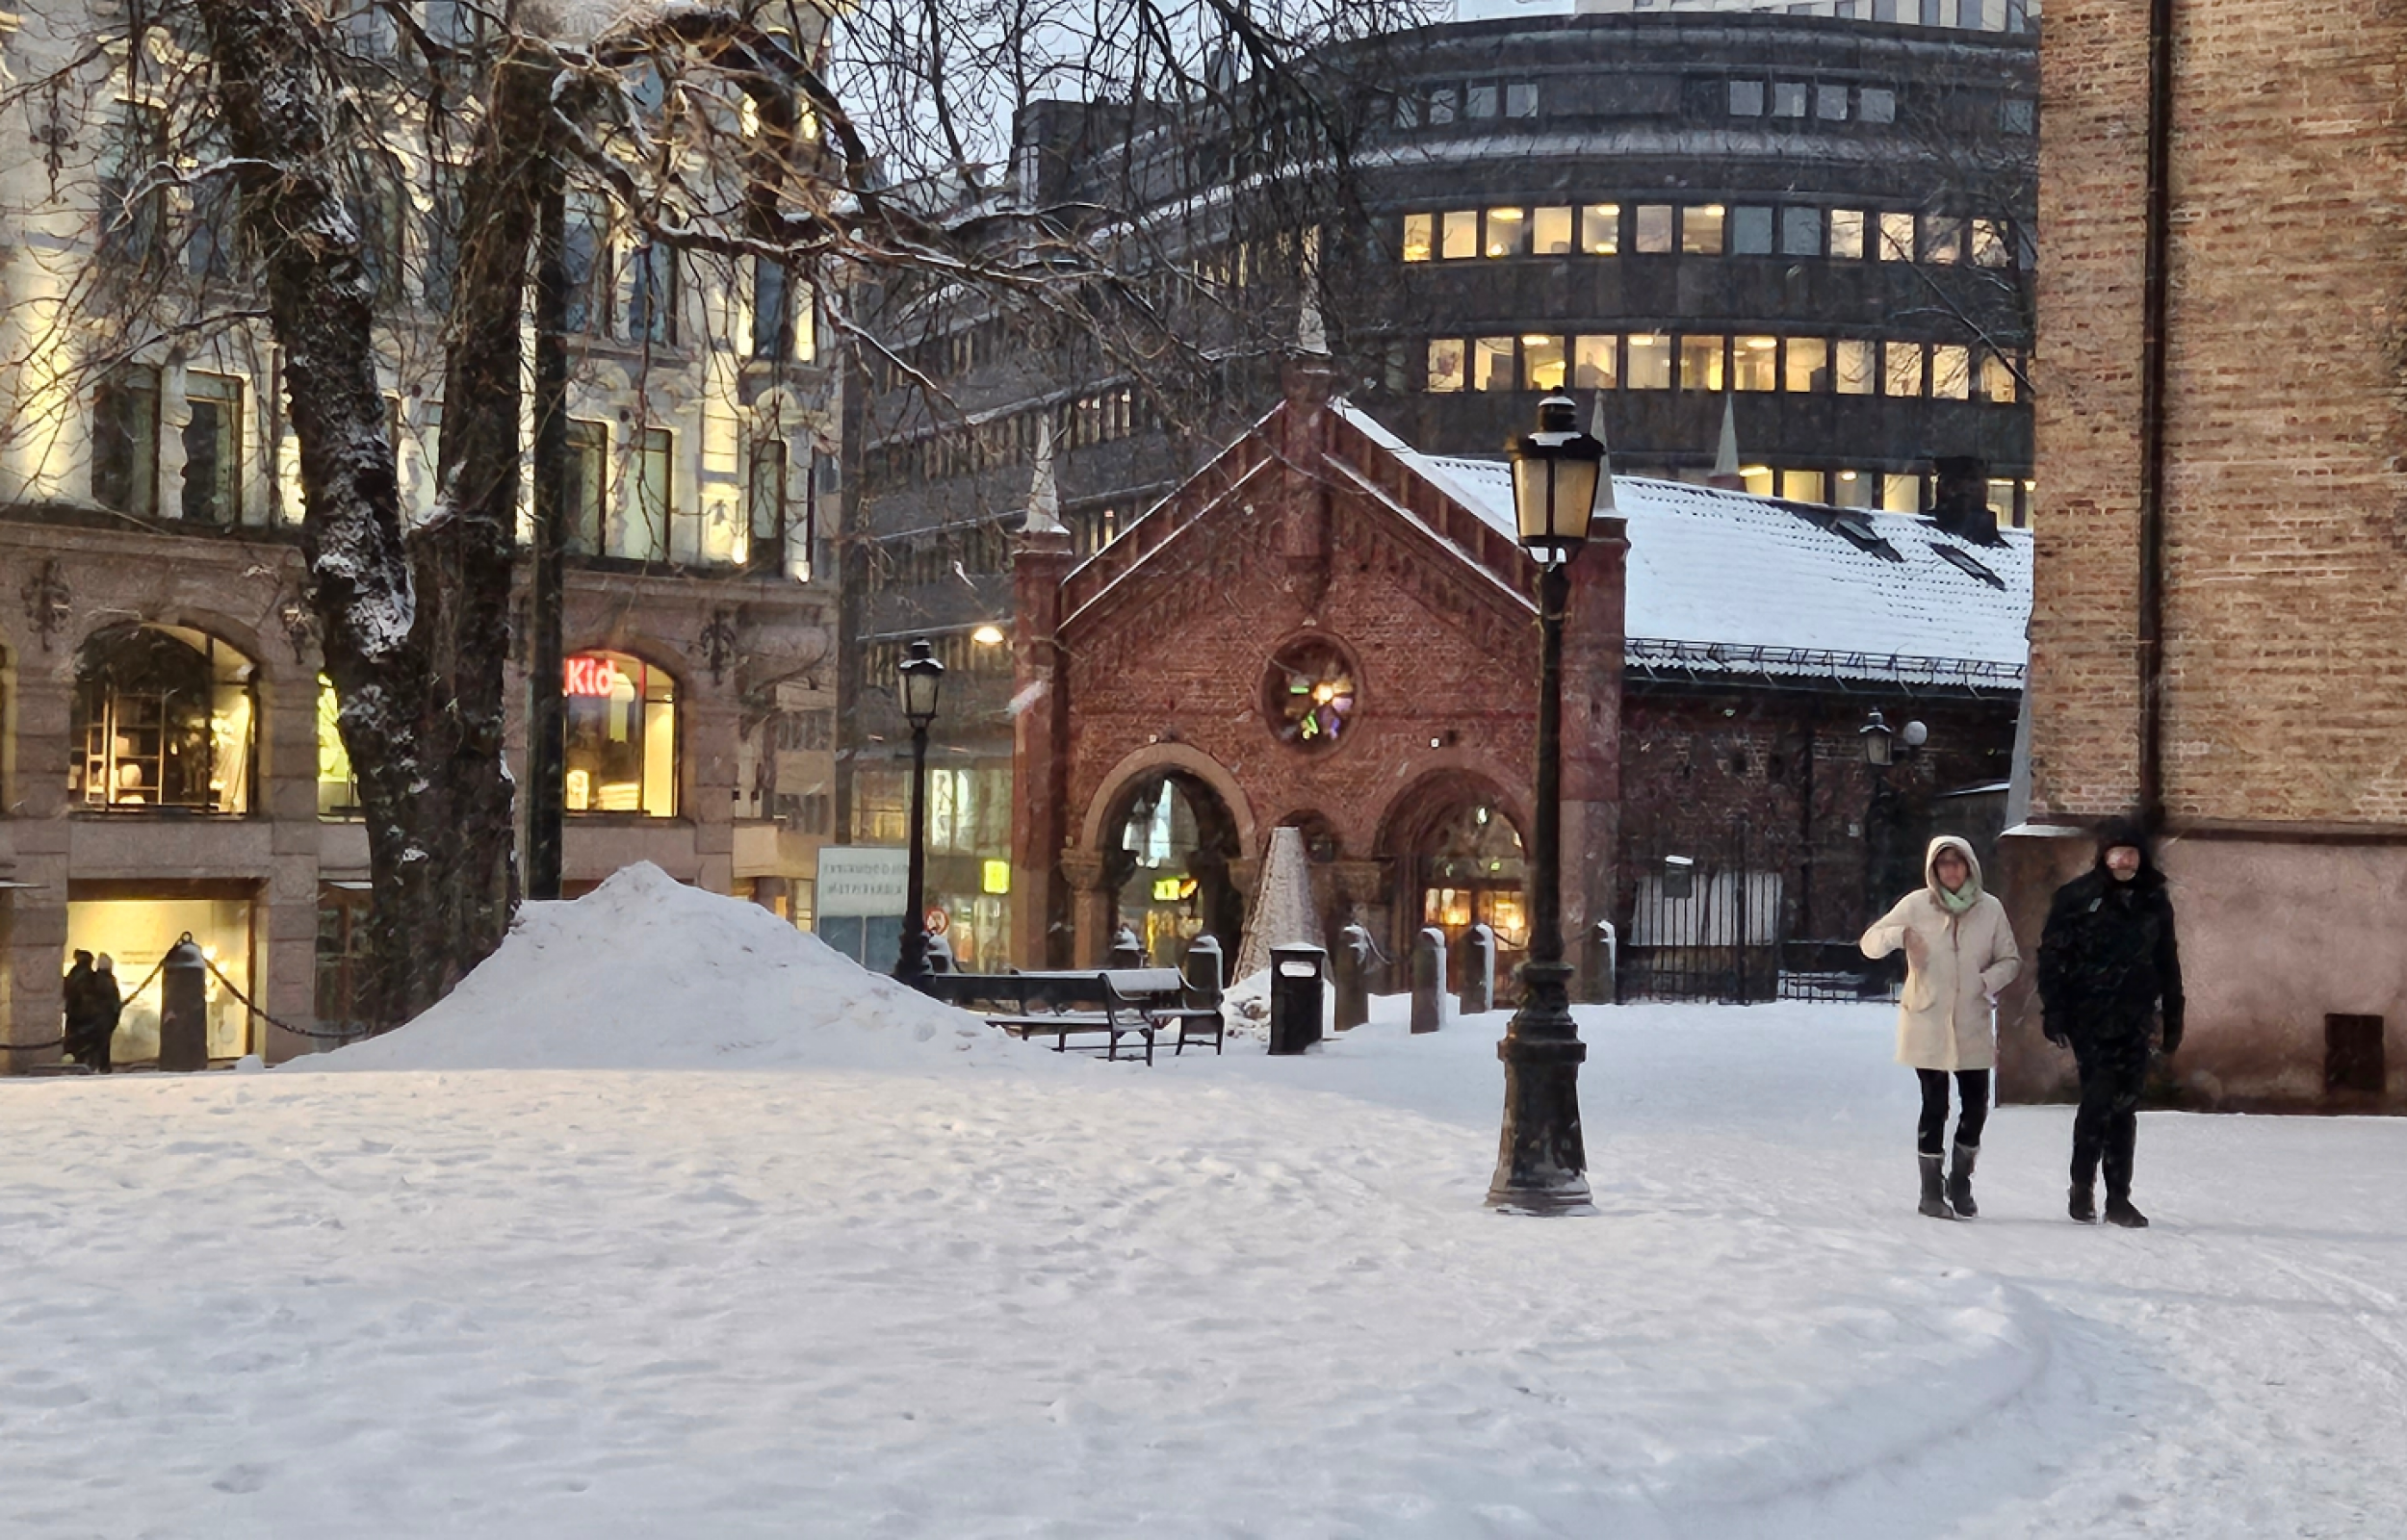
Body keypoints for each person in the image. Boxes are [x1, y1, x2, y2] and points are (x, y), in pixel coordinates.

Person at [1861, 835, 2022, 1220]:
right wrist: (1899, 936)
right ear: (1933, 869)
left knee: (1976, 1106)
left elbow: (2010, 959)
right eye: (1943, 864)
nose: (1951, 870)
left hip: (1972, 1018)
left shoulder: (1990, 909)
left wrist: (1986, 981)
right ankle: (1930, 1191)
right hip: (1927, 1018)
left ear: (1970, 866)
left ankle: (1961, 1180)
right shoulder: (1917, 905)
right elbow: (1870, 942)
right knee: (1935, 1104)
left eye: (1958, 862)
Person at [2036, 817, 2184, 1228]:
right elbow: (2052, 957)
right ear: (2103, 855)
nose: (2123, 861)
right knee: (2098, 1098)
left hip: (2135, 1017)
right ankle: (2082, 1186)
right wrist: (2055, 1008)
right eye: (2115, 853)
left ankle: (2119, 1196)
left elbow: (2167, 961)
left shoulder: (2154, 901)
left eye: (2130, 853)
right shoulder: (2076, 898)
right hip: (2089, 1016)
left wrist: (2173, 1015)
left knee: (2126, 1105)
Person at [85, 953, 123, 1075]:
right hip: (104, 1016)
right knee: (102, 1042)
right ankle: (102, 1066)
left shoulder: (96, 979)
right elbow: (111, 999)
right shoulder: (106, 980)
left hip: (99, 1016)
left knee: (98, 1042)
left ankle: (97, 1064)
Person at [61, 950, 98, 1066]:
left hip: (74, 1013)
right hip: (84, 1015)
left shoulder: (75, 973)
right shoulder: (88, 975)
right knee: (84, 1042)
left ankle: (74, 1060)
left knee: (74, 1041)